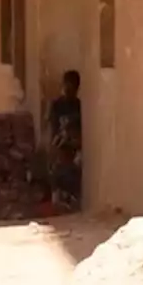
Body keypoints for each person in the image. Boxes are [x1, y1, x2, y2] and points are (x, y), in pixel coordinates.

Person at [47, 70, 83, 210]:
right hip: (60, 143)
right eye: (67, 85)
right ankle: (58, 197)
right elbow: (53, 127)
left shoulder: (78, 105)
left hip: (74, 145)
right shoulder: (57, 105)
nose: (69, 89)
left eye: (73, 86)